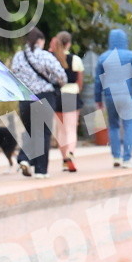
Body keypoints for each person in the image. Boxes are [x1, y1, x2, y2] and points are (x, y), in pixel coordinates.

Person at [7, 28, 66, 178]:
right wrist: (55, 82)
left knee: (31, 132)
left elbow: (13, 75)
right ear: (40, 41)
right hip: (44, 97)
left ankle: (25, 159)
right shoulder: (45, 55)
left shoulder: (18, 57)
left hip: (25, 99)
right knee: (43, 133)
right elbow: (61, 75)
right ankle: (41, 170)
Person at [93, 29, 132, 169]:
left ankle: (116, 156)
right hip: (127, 95)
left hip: (109, 97)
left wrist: (98, 99)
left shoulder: (103, 57)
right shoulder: (130, 55)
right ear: (124, 40)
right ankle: (127, 158)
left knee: (113, 126)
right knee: (129, 125)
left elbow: (98, 81)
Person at [50, 32, 83, 172]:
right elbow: (79, 80)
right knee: (71, 128)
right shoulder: (75, 59)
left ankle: (64, 160)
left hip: (57, 95)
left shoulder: (51, 58)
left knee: (61, 130)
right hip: (71, 94)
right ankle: (70, 152)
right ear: (68, 43)